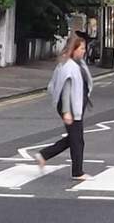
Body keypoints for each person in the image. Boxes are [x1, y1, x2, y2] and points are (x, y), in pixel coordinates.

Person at [33, 34, 93, 181]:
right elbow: (66, 89)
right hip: (70, 108)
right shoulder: (68, 66)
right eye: (81, 48)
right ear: (73, 49)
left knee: (74, 138)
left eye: (84, 48)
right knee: (77, 140)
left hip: (76, 107)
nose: (84, 51)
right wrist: (66, 111)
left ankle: (44, 155)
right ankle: (77, 172)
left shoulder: (78, 63)